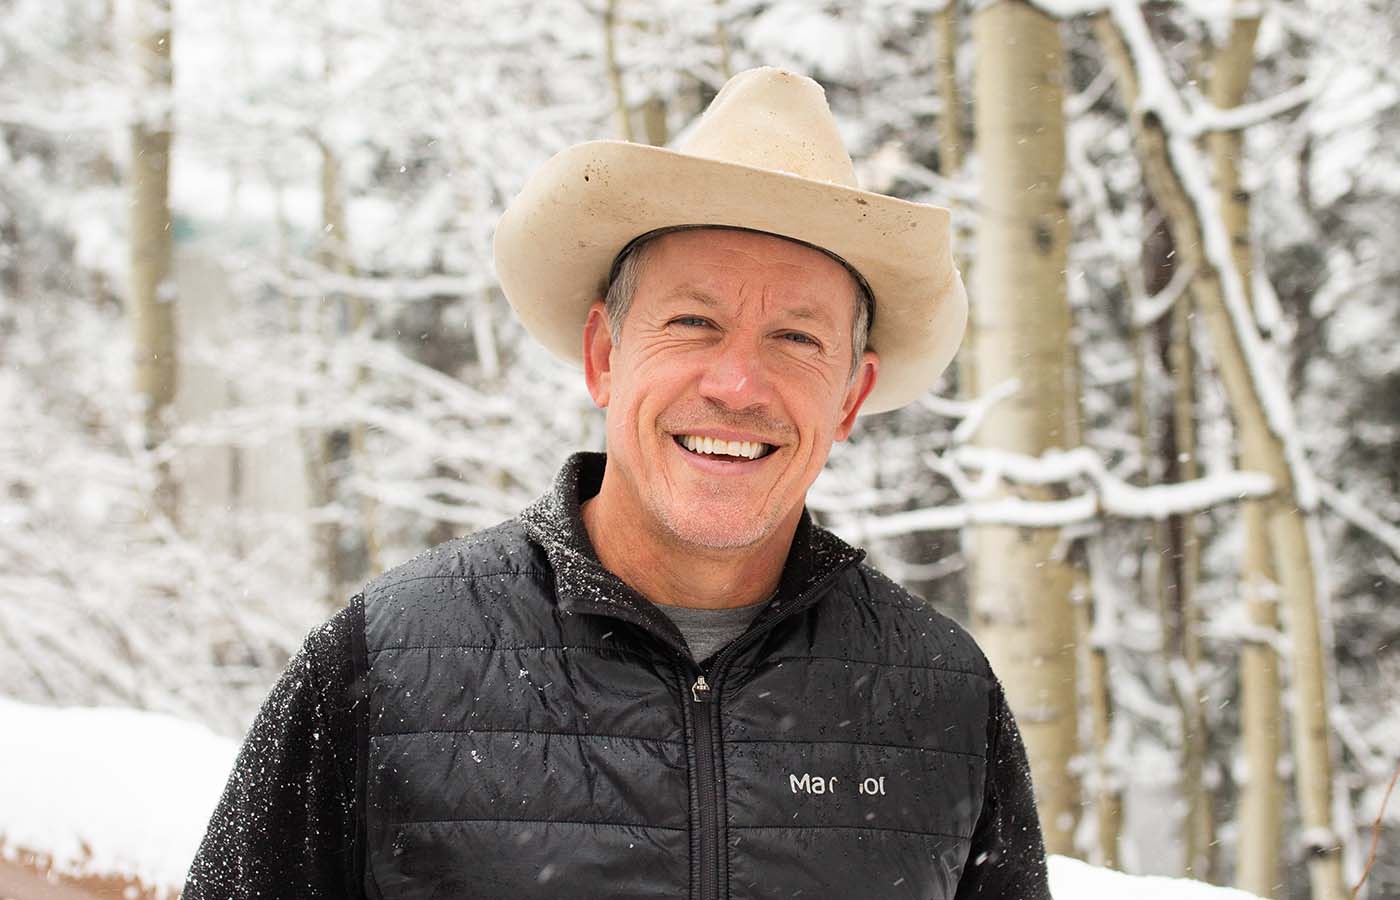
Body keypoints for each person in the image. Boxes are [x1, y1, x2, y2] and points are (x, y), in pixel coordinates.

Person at [184, 67, 1050, 900]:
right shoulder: (386, 661)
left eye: (796, 339)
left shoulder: (941, 698)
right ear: (605, 354)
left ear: (852, 395)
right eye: (693, 322)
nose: (736, 385)